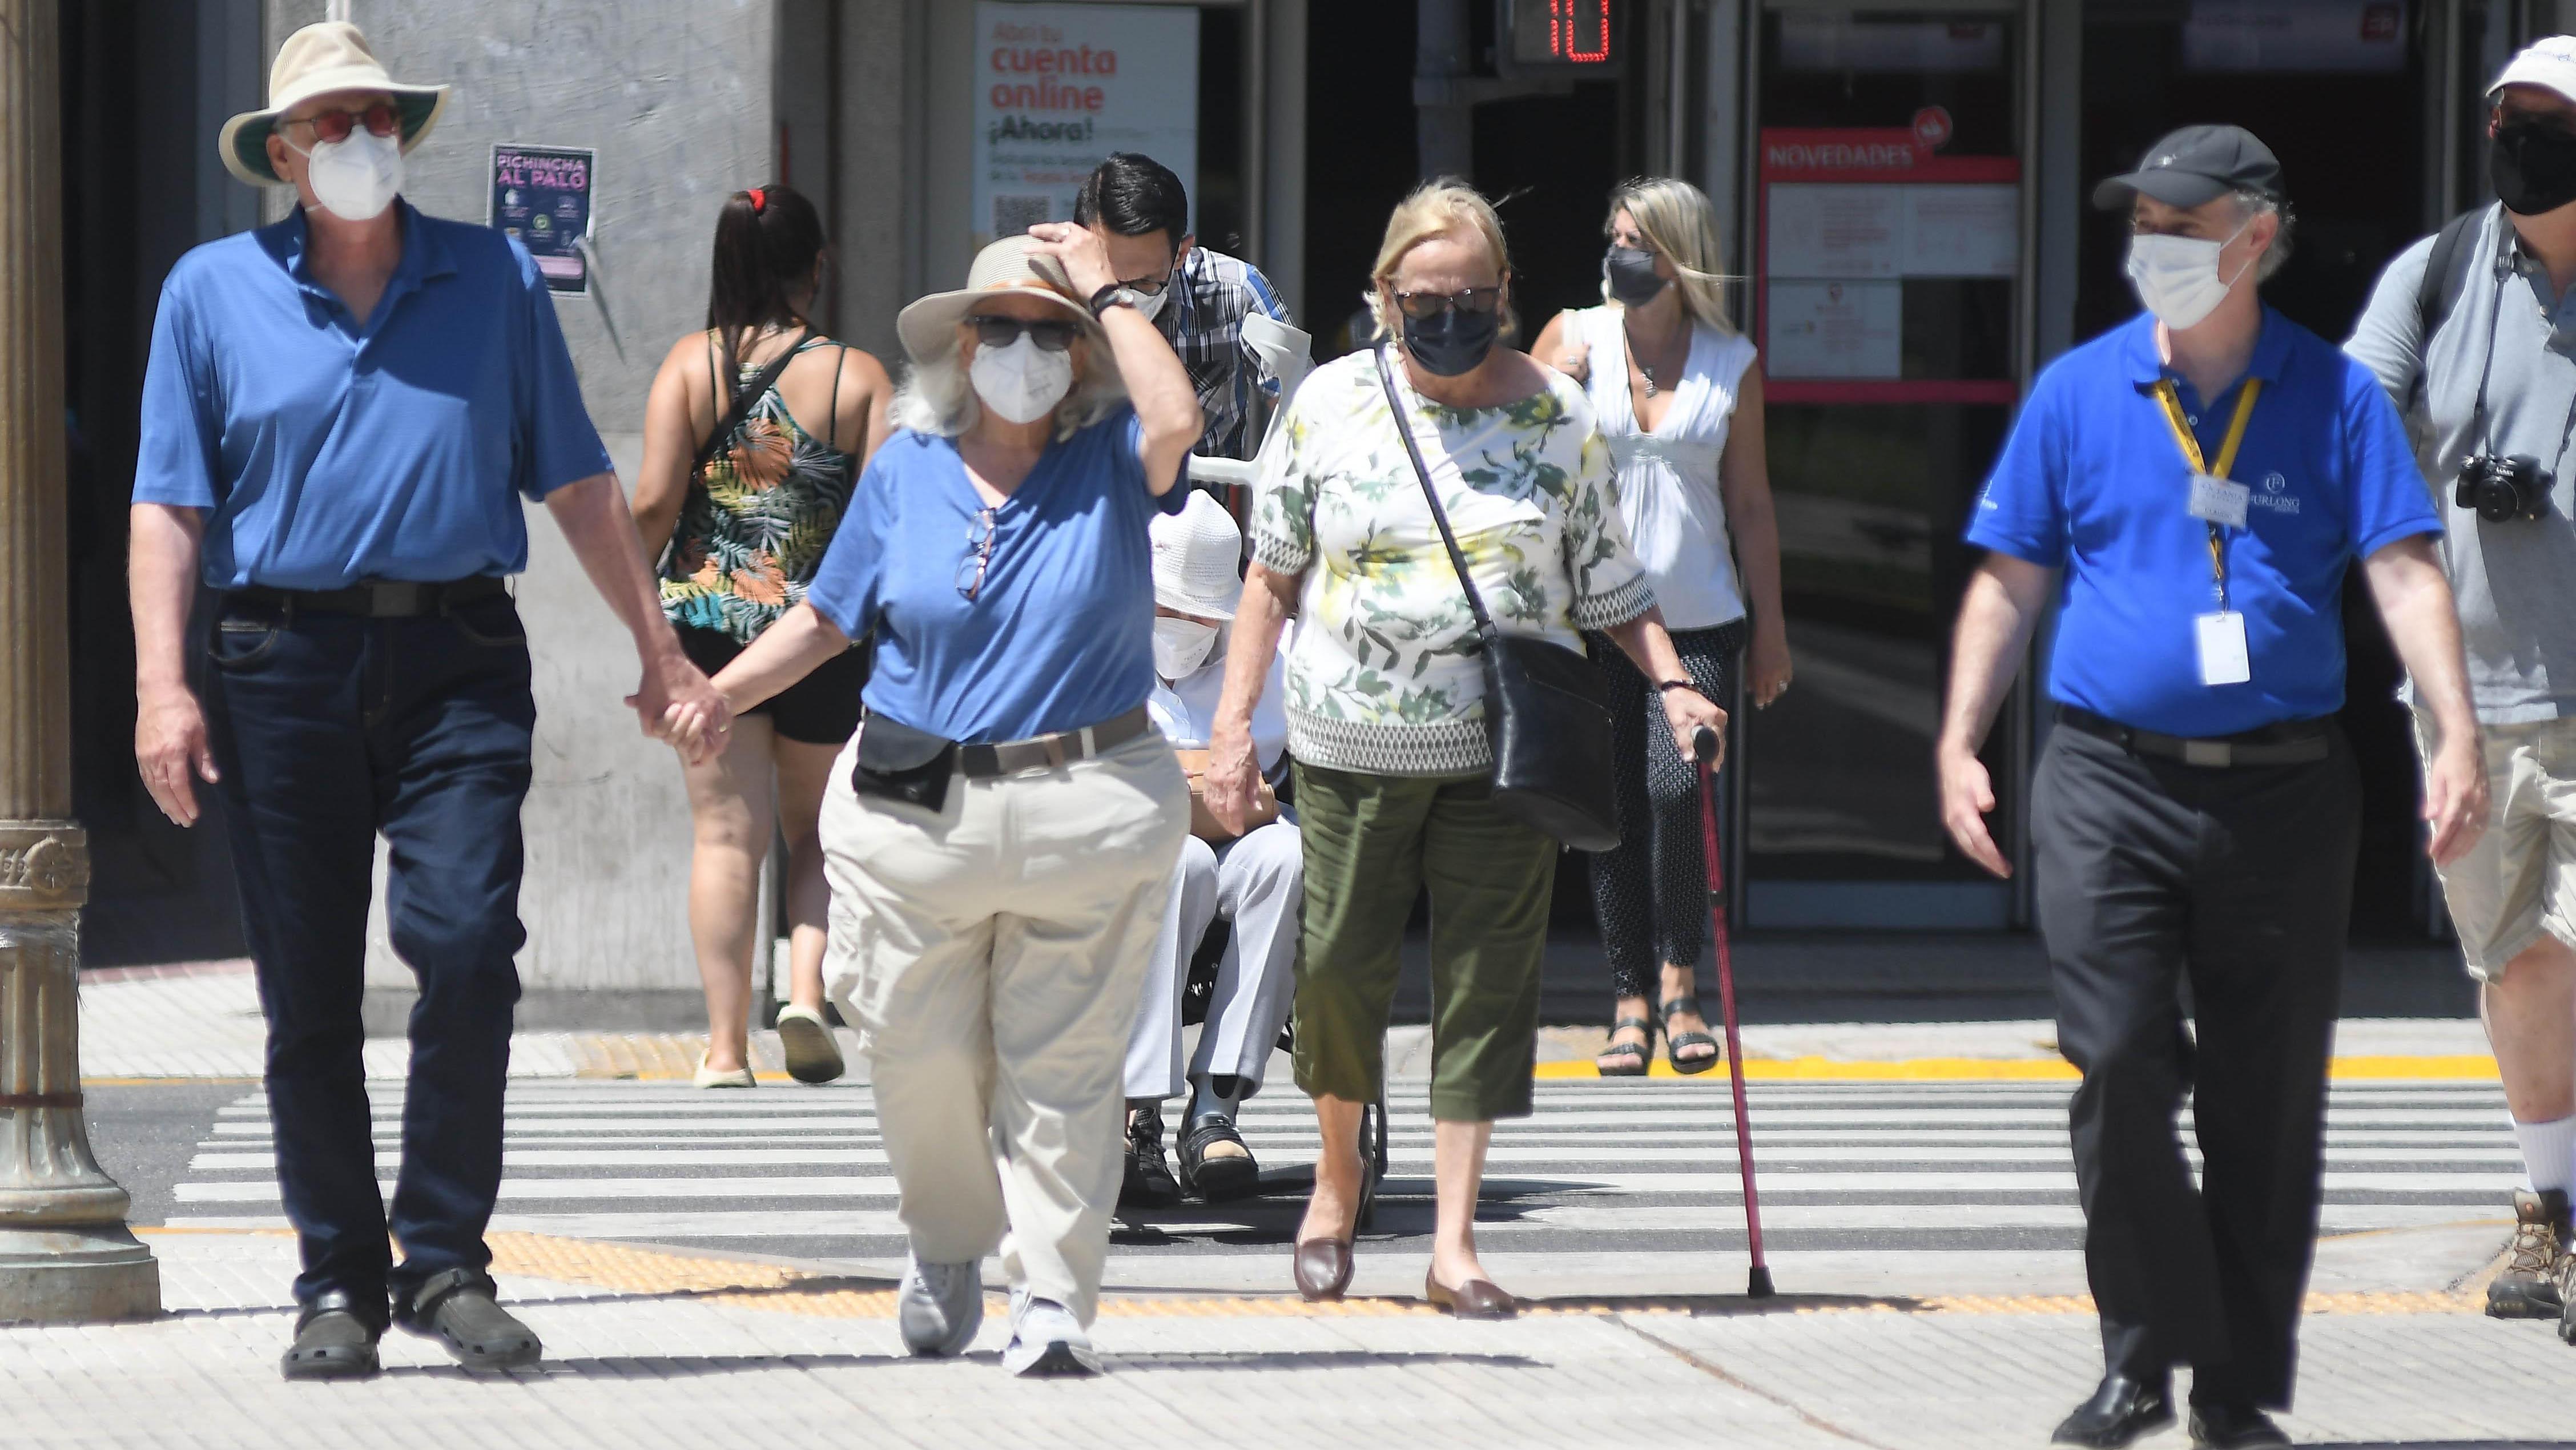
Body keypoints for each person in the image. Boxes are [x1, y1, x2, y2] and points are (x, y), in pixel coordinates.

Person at [128, 22, 728, 1380]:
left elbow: (577, 476)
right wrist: (164, 686)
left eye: (377, 119)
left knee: (464, 943)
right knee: (307, 990)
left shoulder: (494, 275)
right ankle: (336, 1275)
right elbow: (168, 501)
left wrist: (660, 649)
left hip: (458, 648)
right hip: (279, 661)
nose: (359, 143)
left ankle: (444, 1255)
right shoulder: (209, 291)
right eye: (331, 125)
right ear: (281, 154)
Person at [1936, 126, 2485, 1448]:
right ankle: (2139, 1358)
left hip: (2287, 794)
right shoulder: (2077, 391)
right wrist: (1960, 737)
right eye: (2144, 227)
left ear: (2254, 237)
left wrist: (2451, 733)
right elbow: (2007, 578)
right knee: (2118, 1060)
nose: (2155, 251)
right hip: (2104, 778)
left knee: (2263, 1098)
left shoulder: (2332, 394)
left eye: (2182, 229)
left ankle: (2232, 1393)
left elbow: (2404, 572)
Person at [662, 226, 1200, 1376]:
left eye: (1049, 329)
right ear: (962, 343)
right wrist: (717, 694)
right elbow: (824, 617)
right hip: (916, 815)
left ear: (1086, 345)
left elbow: (1181, 419)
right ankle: (951, 1241)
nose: (1023, 347)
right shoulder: (906, 460)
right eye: (999, 325)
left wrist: (1105, 290)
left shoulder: (1113, 446)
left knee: (1068, 1070)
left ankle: (1051, 1298)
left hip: (1090, 803)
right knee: (916, 1054)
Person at [1200, 180, 1726, 1318]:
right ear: (1383, 295)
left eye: (1473, 296)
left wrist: (1677, 687)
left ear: (1504, 296)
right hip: (1348, 745)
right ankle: (1337, 1180)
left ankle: (1453, 1242)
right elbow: (1270, 577)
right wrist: (1233, 729)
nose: (1449, 314)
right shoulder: (1331, 405)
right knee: (1337, 970)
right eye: (1425, 296)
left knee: (1490, 984)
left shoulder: (1555, 413)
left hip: (1504, 754)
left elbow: (1611, 582)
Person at [2345, 37, 2576, 1339]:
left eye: (2549, 120)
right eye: (2508, 117)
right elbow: (2351, 414)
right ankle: (2544, 1203)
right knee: (2519, 960)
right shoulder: (2433, 271)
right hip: (2469, 699)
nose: (2520, 139)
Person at [630, 183, 893, 1089]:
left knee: (723, 839)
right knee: (817, 834)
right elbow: (891, 515)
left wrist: (642, 620)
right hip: (820, 632)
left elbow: (656, 506)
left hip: (705, 634)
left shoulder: (688, 369)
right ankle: (808, 996)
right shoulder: (858, 377)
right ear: (816, 268)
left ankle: (723, 1050)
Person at [1531, 178, 1792, 1077]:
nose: (1620, 252)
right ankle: (1629, 997)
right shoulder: (1573, 337)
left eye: (1638, 239)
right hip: (1592, 624)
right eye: (1614, 235)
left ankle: (1682, 979)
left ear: (1679, 253)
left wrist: (1772, 631)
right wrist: (1548, 399)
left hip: (1702, 621)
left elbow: (1752, 505)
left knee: (1678, 794)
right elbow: (1520, 462)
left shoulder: (1731, 360)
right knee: (1608, 814)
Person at [1120, 492, 1302, 1206]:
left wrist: (1180, 780)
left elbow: (1248, 797)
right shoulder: (1101, 640)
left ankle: (1217, 1102)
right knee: (1181, 860)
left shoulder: (1265, 659)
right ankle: (1140, 1106)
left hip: (1237, 839)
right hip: (1132, 852)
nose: (1179, 625)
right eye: (1166, 608)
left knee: (1288, 856)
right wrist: (1199, 778)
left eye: (1195, 612)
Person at [1074, 151, 1292, 462]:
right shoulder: (1046, 296)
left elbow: (1305, 414)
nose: (1126, 300)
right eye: (1110, 282)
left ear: (1181, 254)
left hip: (1199, 502)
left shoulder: (1236, 292)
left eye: (1145, 283)